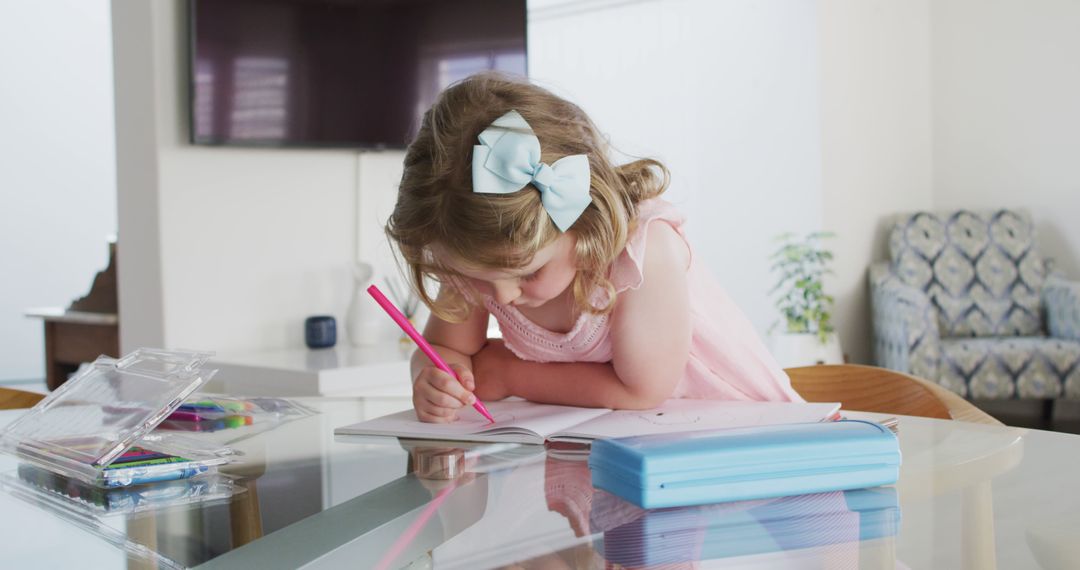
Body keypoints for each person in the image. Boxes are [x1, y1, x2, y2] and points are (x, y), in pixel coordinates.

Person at [386, 73, 801, 423]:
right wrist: (437, 376)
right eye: (477, 279)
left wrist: (505, 374)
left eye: (529, 273)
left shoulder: (645, 250)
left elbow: (641, 391)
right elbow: (445, 349)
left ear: (583, 220)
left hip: (737, 429)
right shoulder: (483, 253)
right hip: (617, 441)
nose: (503, 297)